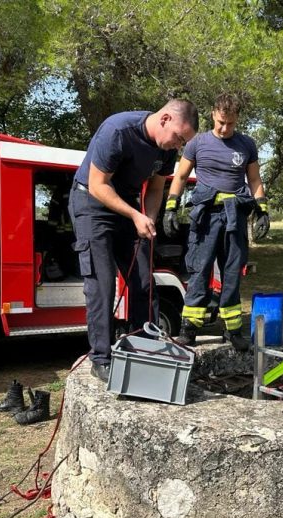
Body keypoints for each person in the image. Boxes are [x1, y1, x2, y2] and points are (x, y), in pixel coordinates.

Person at [70, 99, 199, 381]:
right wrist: (135, 215)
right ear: (165, 119)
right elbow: (98, 185)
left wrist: (148, 218)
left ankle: (144, 348)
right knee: (102, 284)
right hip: (92, 204)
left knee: (143, 281)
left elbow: (155, 189)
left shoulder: (165, 150)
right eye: (179, 138)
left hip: (127, 207)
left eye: (183, 143)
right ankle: (101, 358)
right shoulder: (118, 130)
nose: (178, 146)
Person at [164, 93, 269, 351]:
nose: (224, 128)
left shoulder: (246, 145)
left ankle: (232, 331)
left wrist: (263, 210)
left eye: (230, 123)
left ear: (237, 120)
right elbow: (180, 176)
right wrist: (171, 206)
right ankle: (188, 330)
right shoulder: (197, 143)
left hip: (235, 217)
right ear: (213, 114)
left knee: (232, 273)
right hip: (206, 218)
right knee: (199, 271)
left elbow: (254, 180)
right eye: (221, 122)